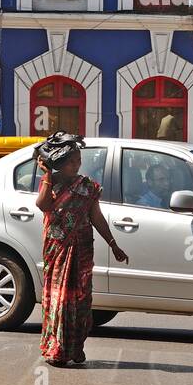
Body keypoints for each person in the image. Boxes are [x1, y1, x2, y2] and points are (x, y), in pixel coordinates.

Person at [33, 131, 128, 367]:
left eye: (78, 161)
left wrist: (114, 244)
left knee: (80, 300)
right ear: (61, 163)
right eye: (71, 161)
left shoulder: (87, 187)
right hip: (58, 250)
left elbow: (96, 218)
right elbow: (43, 205)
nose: (76, 165)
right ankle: (57, 348)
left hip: (82, 250)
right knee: (59, 299)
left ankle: (75, 347)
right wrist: (46, 174)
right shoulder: (50, 183)